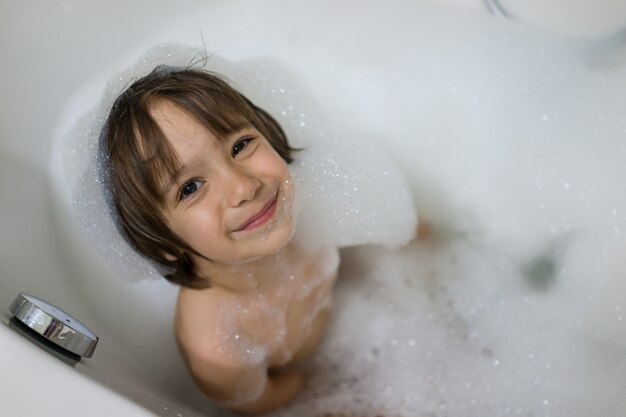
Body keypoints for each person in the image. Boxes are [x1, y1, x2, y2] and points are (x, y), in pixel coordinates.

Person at [102, 65, 340, 414]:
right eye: (191, 188)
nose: (244, 187)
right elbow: (267, 402)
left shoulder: (313, 213)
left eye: (240, 145)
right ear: (166, 244)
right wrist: (324, 384)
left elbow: (383, 234)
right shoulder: (217, 347)